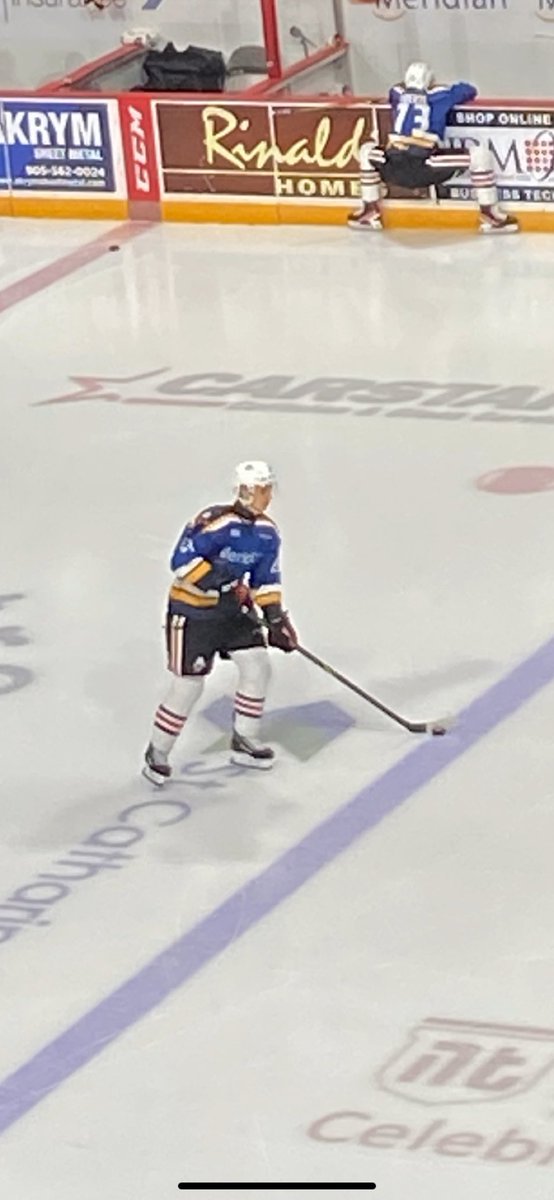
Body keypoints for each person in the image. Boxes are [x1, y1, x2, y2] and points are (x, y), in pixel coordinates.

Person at [142, 461, 297, 785]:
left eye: (269, 489)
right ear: (246, 490)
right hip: (193, 613)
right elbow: (182, 561)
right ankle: (158, 752)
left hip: (231, 612)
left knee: (257, 665)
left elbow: (265, 579)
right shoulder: (214, 522)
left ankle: (244, 738)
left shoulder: (267, 533)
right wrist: (217, 579)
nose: (268, 496)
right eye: (263, 489)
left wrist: (276, 618)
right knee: (188, 686)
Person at [348, 62, 518, 235]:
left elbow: (397, 92)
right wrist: (440, 87)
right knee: (480, 156)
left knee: (367, 151)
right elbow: (468, 90)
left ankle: (369, 211)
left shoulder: (396, 93)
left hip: (393, 166)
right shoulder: (440, 95)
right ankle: (490, 215)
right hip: (426, 166)